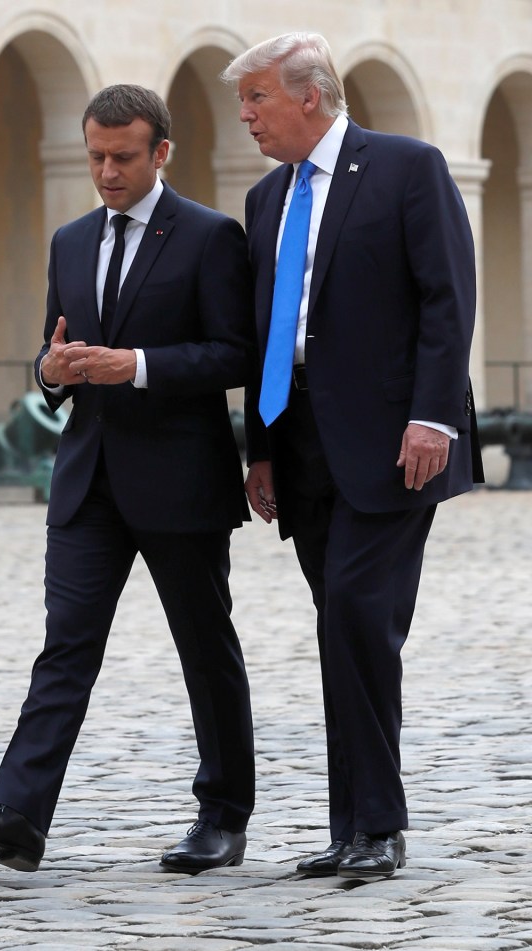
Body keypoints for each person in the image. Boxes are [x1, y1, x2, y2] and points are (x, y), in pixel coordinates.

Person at [0, 84, 255, 875]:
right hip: (87, 482)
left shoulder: (211, 238)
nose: (107, 171)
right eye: (96, 157)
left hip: (180, 480)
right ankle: (19, 815)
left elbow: (233, 354)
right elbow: (56, 355)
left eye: (123, 156)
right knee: (65, 647)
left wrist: (138, 365)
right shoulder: (70, 241)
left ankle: (223, 816)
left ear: (162, 153)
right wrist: (49, 371)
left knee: (203, 650)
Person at [221, 33, 484, 881]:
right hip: (300, 449)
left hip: (394, 443)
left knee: (359, 620)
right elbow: (268, 334)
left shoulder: (407, 167)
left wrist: (435, 417)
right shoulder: (266, 199)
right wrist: (259, 448)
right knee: (342, 631)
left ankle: (378, 824)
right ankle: (353, 830)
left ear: (309, 95)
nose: (246, 116)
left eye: (257, 97)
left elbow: (448, 294)